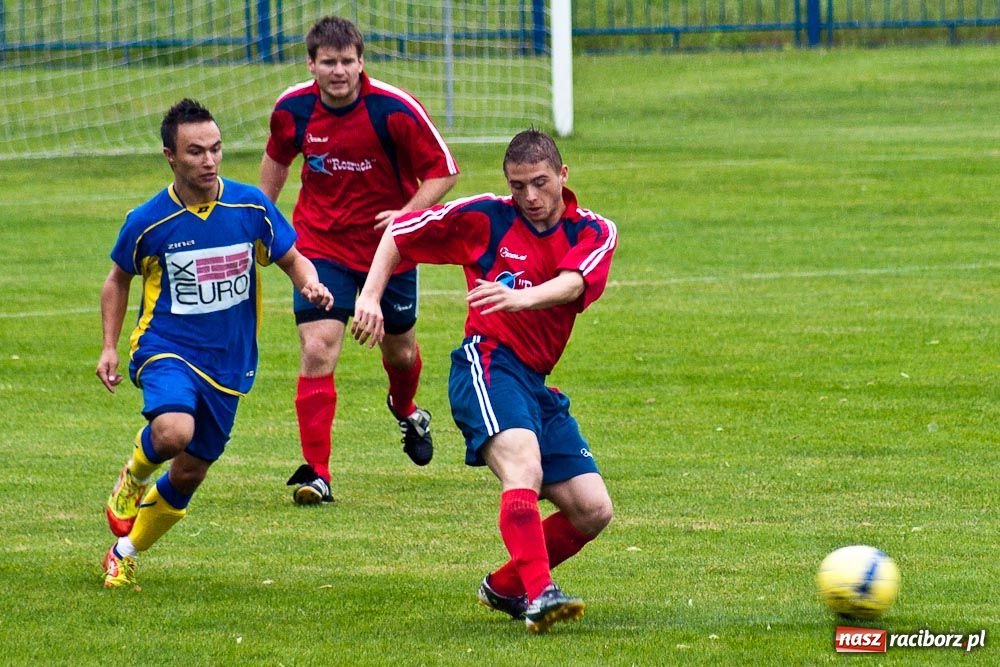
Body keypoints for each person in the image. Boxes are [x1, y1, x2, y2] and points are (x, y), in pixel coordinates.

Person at [351, 129, 618, 633]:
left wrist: (522, 297)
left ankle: (507, 586)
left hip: (534, 382)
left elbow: (574, 282)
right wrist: (369, 296)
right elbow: (398, 233)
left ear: (563, 175)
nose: (530, 198)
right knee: (524, 466)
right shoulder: (484, 216)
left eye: (540, 183)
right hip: (486, 363)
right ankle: (540, 596)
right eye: (518, 186)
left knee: (592, 510)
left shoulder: (594, 231)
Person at [97, 99, 333, 589]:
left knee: (189, 473)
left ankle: (124, 552)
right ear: (170, 155)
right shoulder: (148, 221)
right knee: (173, 432)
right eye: (195, 151)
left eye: (216, 149)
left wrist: (309, 283)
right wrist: (110, 347)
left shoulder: (249, 207)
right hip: (166, 347)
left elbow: (293, 259)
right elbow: (117, 280)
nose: (208, 160)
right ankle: (135, 475)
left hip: (230, 362)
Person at [259, 15, 459, 505]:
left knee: (401, 353)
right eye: (328, 62)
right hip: (320, 247)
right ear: (312, 64)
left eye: (348, 61)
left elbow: (444, 172)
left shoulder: (394, 109)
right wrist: (260, 228)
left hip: (388, 253)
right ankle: (317, 474)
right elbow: (276, 166)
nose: (339, 71)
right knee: (318, 347)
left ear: (361, 62)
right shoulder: (293, 110)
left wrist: (404, 217)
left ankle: (407, 408)